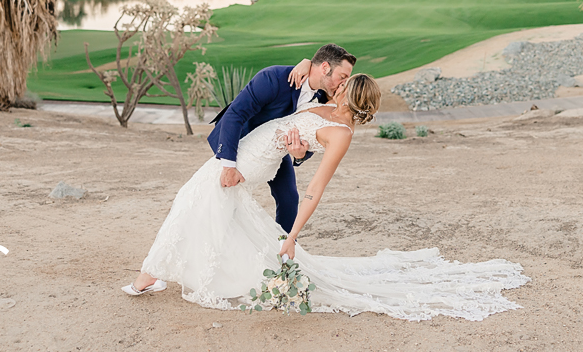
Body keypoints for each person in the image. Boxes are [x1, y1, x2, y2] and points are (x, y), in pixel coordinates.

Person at [123, 74, 530, 321]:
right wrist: (297, 145)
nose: (336, 88)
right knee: (201, 207)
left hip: (248, 161)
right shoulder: (327, 110)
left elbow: (315, 188)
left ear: (351, 96)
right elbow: (298, 133)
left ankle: (146, 277)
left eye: (343, 87)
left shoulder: (341, 134)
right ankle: (164, 273)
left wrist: (292, 236)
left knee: (192, 201)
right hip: (254, 155)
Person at [210, 43, 356, 232]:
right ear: (325, 68)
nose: (343, 84)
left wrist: (300, 154)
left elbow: (314, 133)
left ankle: (283, 250)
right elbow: (235, 114)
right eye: (342, 77)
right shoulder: (273, 78)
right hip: (238, 139)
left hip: (275, 147)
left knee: (289, 197)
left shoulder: (323, 98)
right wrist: (228, 164)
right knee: (229, 194)